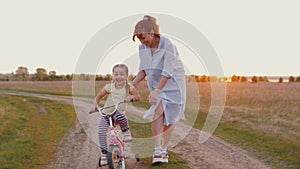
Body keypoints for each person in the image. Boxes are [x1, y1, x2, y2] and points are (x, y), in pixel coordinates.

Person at [132, 15, 186, 164]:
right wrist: (132, 85)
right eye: (140, 39)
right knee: (158, 110)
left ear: (151, 32)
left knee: (170, 117)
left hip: (174, 84)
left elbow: (168, 71)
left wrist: (157, 91)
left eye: (143, 38)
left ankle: (164, 148)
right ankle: (157, 150)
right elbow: (143, 70)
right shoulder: (142, 48)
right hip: (157, 83)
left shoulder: (167, 45)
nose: (143, 42)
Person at [90, 63, 141, 165]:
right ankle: (104, 154)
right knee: (101, 132)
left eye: (121, 74)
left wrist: (131, 97)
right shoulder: (109, 87)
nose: (118, 77)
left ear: (126, 76)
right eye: (116, 74)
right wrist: (94, 105)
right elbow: (98, 97)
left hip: (118, 112)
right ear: (112, 75)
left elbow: (138, 97)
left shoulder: (128, 87)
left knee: (121, 116)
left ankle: (126, 132)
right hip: (107, 113)